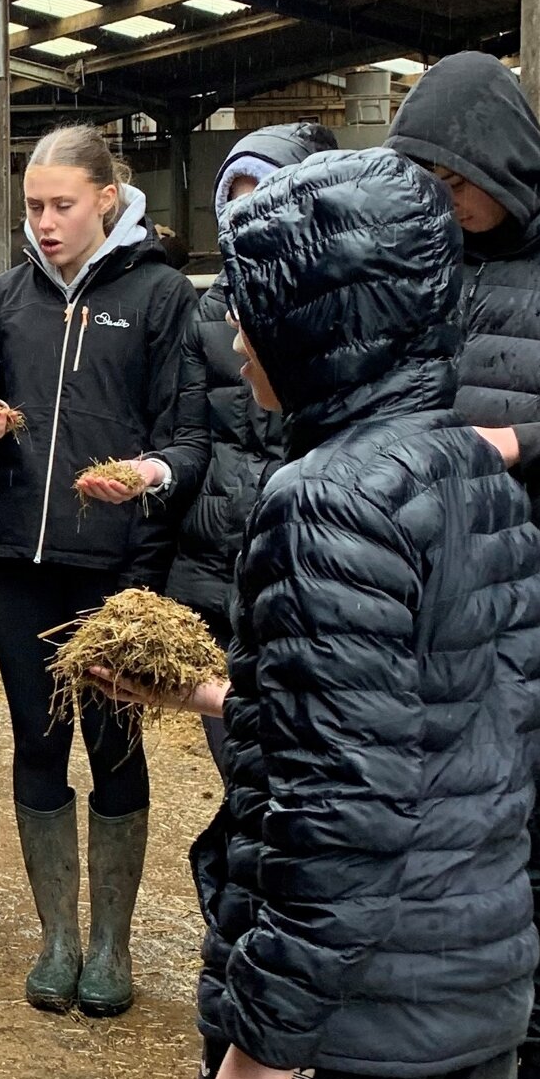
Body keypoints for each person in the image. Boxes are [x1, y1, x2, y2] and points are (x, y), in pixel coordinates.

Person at [117, 147, 540, 1079]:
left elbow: (338, 803)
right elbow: (449, 726)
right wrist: (212, 689)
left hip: (343, 1024)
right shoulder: (473, 469)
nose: (236, 343)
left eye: (252, 316)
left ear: (315, 331)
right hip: (468, 992)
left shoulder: (320, 501)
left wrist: (266, 1042)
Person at [0, 123, 200, 1017]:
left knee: (116, 740)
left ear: (107, 198)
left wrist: (149, 475)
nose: (46, 223)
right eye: (34, 206)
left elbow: (188, 434)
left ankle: (111, 946)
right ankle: (58, 938)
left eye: (62, 205)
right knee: (37, 738)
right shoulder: (6, 303)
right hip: (15, 561)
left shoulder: (163, 297)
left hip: (113, 567)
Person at [388, 52, 540, 1079]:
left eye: (451, 185)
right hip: (446, 586)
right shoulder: (437, 257)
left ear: (497, 163)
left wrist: (524, 445)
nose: (441, 206)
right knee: (463, 834)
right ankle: (458, 1067)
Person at [166, 123, 338, 778]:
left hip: (318, 573)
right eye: (234, 206)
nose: (248, 221)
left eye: (264, 200)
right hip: (223, 572)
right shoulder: (211, 310)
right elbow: (192, 439)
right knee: (242, 776)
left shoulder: (349, 304)